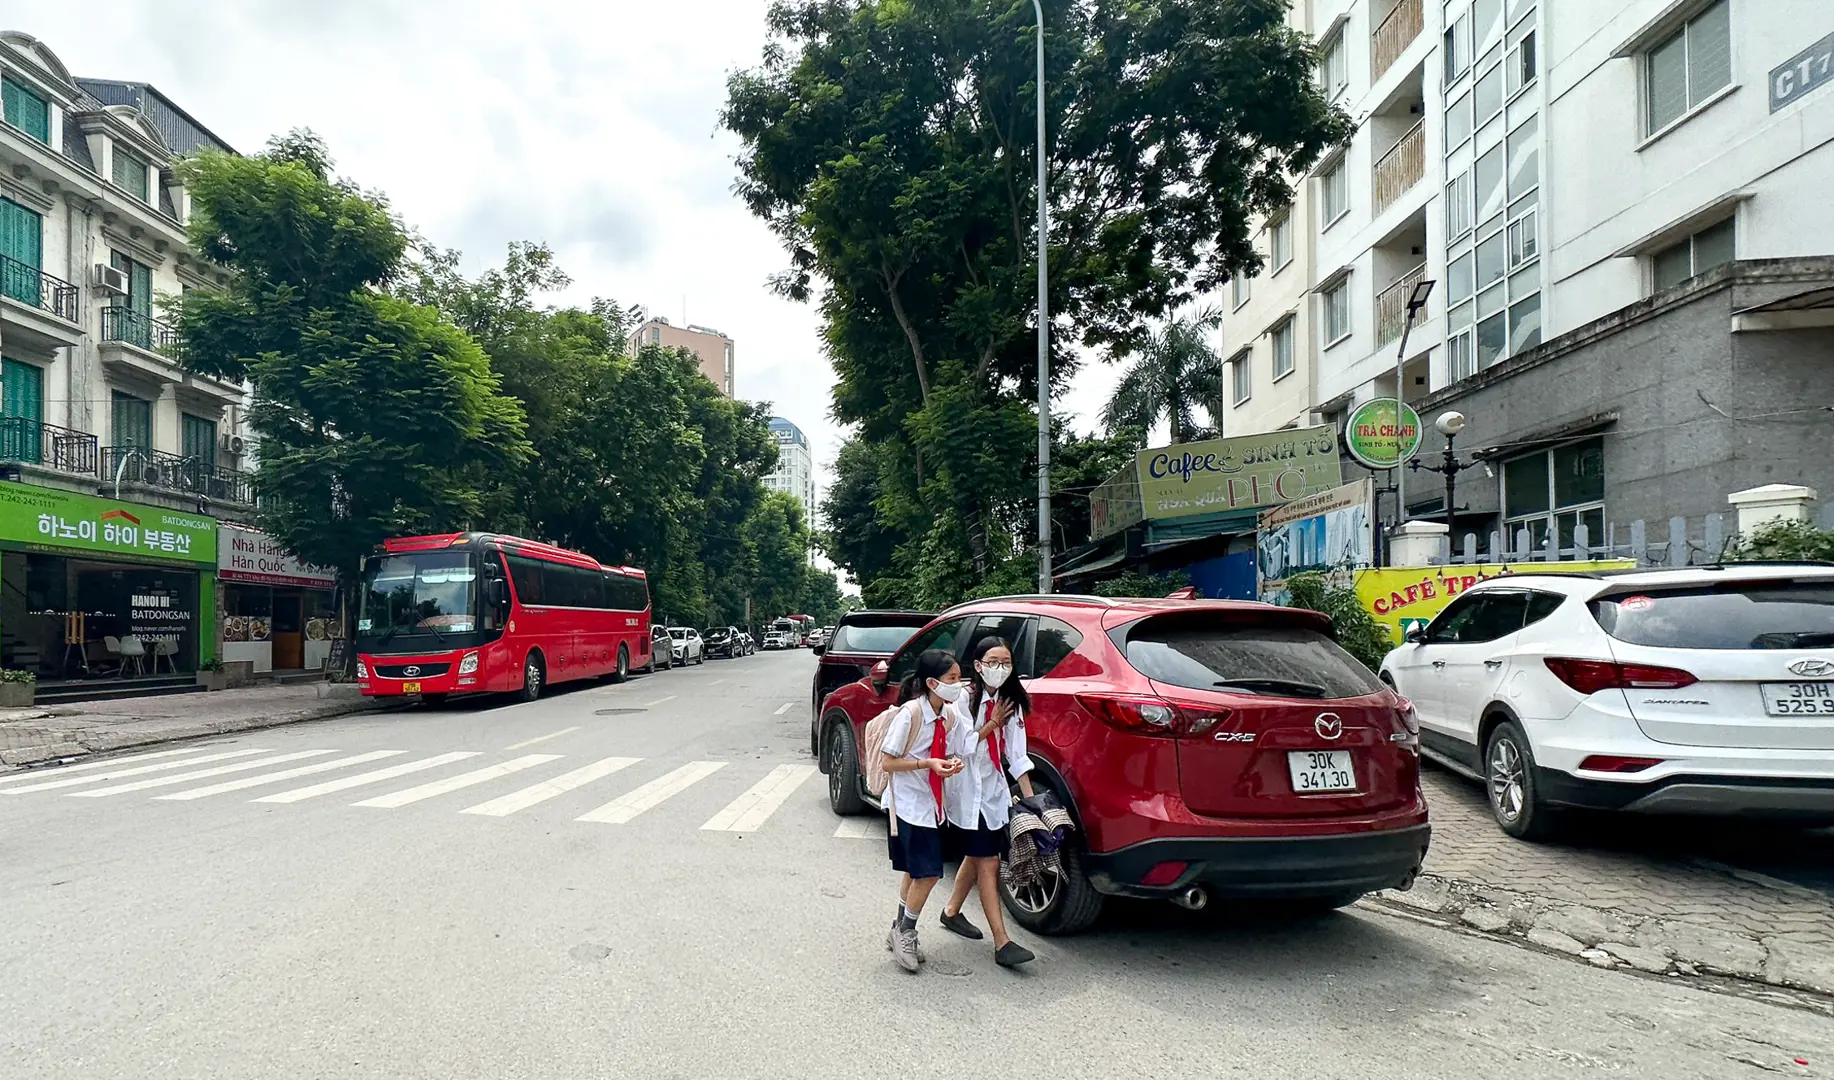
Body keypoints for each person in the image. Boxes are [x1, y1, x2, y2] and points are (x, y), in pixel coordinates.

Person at [937, 636, 1037, 968]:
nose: (1000, 669)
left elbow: (1017, 755)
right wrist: (993, 722)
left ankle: (951, 912)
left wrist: (1033, 803)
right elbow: (964, 745)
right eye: (992, 662)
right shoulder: (963, 700)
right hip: (965, 789)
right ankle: (1002, 942)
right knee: (989, 862)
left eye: (1006, 662)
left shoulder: (1013, 702)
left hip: (992, 791)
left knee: (977, 854)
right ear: (978, 666)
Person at [881, 648, 965, 973]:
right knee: (928, 874)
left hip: (933, 806)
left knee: (916, 872)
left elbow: (950, 752)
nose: (958, 685)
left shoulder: (950, 716)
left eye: (959, 678)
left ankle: (898, 927)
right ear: (932, 682)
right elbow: (887, 762)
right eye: (952, 679)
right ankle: (907, 931)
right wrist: (924, 763)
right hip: (909, 806)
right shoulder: (910, 715)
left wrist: (952, 763)